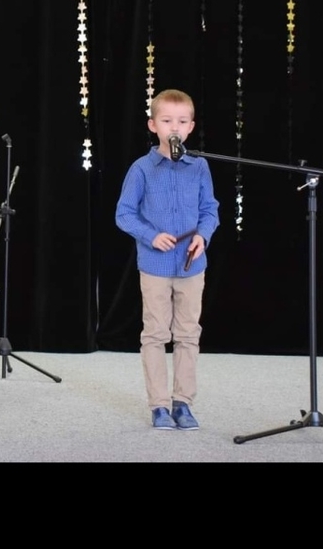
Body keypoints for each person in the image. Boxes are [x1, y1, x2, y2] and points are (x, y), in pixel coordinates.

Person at [115, 88, 219, 430]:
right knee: (156, 333)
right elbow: (124, 214)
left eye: (182, 121)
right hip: (155, 266)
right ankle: (159, 405)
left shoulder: (199, 166)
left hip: (192, 266)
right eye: (167, 121)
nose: (175, 127)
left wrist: (202, 235)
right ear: (152, 125)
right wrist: (151, 235)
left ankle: (183, 403)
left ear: (191, 127)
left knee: (188, 333)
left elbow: (210, 210)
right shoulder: (141, 169)